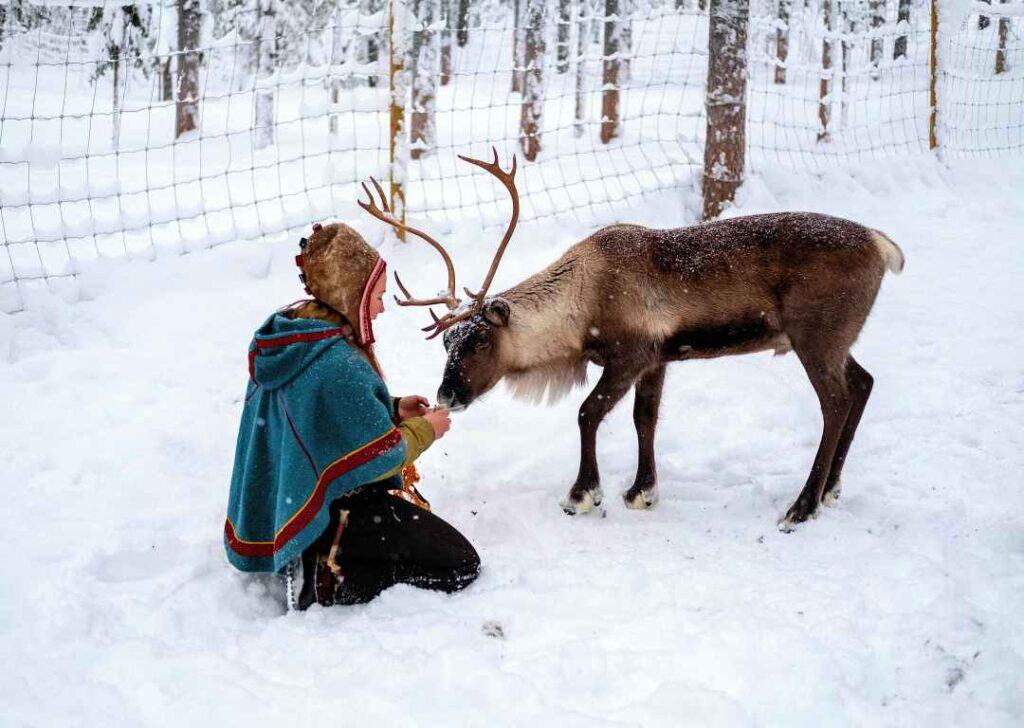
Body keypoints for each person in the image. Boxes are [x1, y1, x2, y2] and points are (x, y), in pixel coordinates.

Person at [223, 222, 480, 610]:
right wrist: (426, 429)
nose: (380, 307)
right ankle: (332, 576)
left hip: (291, 504)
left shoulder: (294, 337)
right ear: (351, 294)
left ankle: (323, 551)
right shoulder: (338, 361)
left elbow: (318, 414)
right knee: (461, 564)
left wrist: (391, 409)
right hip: (337, 513)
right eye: (375, 296)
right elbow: (383, 456)